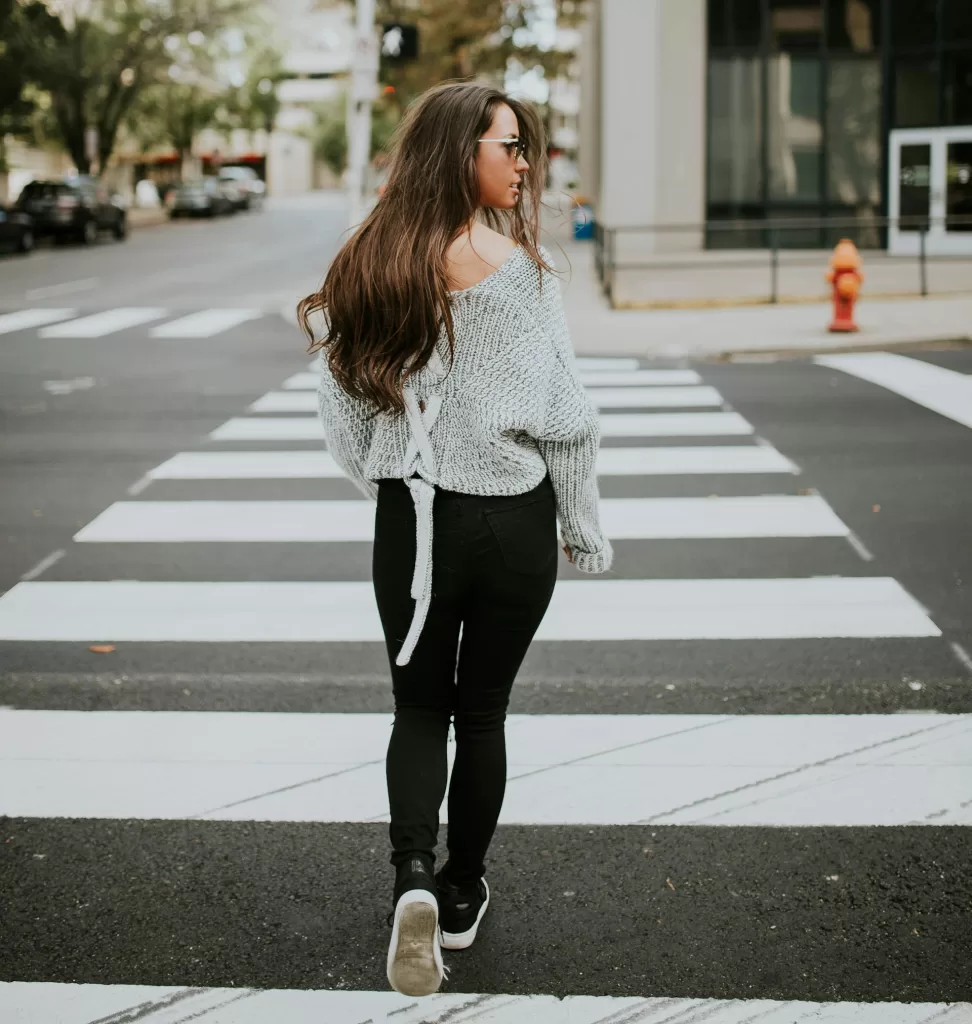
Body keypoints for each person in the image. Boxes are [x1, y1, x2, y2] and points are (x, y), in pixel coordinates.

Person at [298, 81, 612, 998]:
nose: (521, 164)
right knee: (483, 715)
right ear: (458, 151)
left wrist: (385, 479)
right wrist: (582, 530)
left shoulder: (374, 260)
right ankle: (463, 894)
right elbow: (569, 421)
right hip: (511, 521)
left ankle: (411, 880)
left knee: (416, 709)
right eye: (506, 146)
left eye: (523, 147)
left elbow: (339, 398)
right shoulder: (524, 274)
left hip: (414, 515)